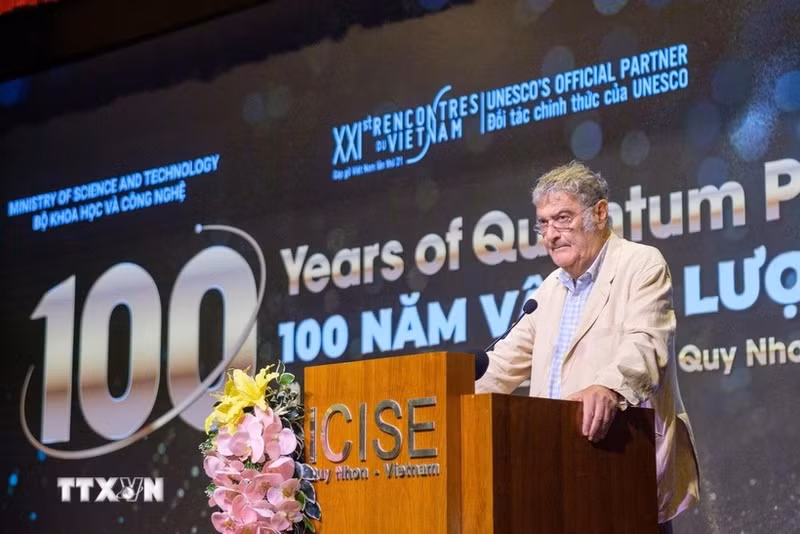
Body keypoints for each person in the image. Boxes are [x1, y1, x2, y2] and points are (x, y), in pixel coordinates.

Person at [475, 161, 699, 532]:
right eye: (543, 223)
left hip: (621, 468)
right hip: (557, 479)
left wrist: (608, 387)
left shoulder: (641, 265)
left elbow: (646, 345)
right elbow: (501, 365)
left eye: (562, 218)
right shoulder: (549, 289)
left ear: (599, 212)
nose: (551, 234)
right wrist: (441, 403)